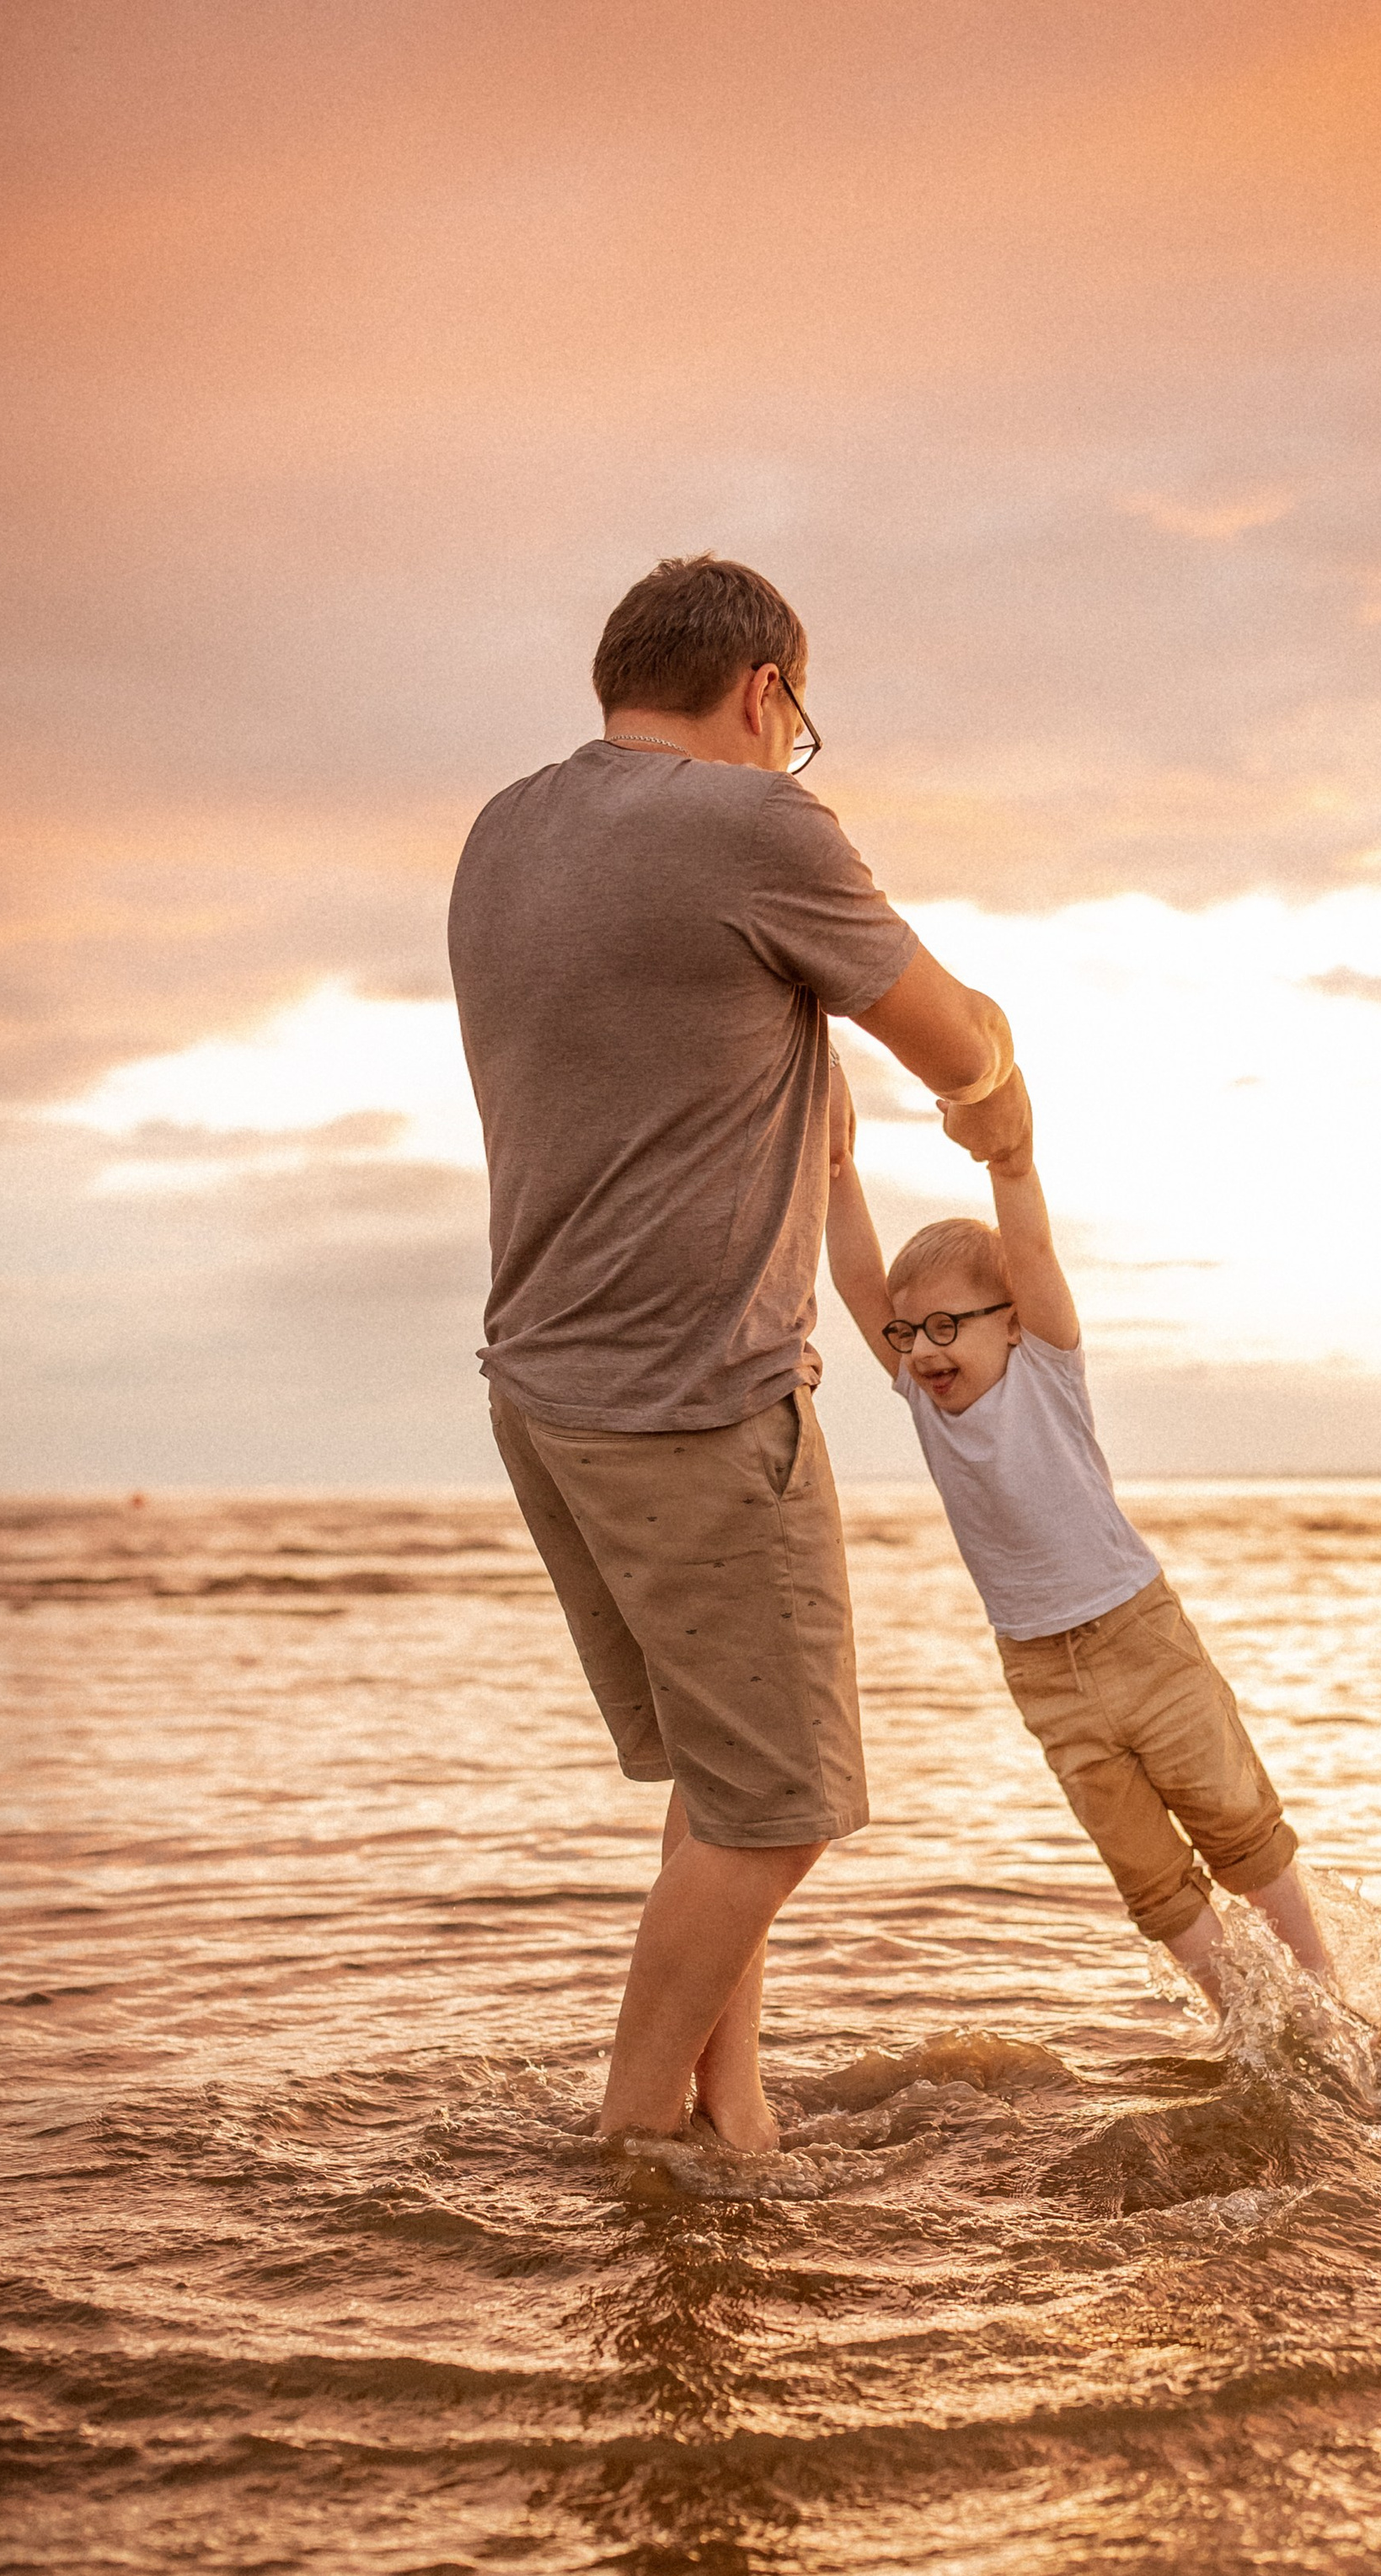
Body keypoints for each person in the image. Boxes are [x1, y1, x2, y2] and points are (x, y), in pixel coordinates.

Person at [448, 555, 1029, 2152]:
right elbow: (951, 1039)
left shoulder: (504, 834)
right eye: (797, 727)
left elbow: (699, 1064)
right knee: (779, 1813)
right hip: (694, 1403)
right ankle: (635, 2142)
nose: (794, 758)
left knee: (723, 1782)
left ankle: (736, 2115)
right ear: (765, 693)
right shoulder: (752, 825)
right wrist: (1003, 1089)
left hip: (547, 1394)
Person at [823, 1071, 1340, 2016]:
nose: (927, 1350)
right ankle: (1253, 2023)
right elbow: (858, 1282)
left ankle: (1326, 1995)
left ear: (1011, 1318)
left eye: (949, 1325)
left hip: (1136, 1633)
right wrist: (835, 1169)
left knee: (1235, 1821)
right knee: (1146, 1876)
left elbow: (1028, 1239)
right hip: (1042, 1672)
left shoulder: (1045, 1365)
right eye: (911, 1332)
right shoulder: (921, 1396)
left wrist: (1005, 1158)